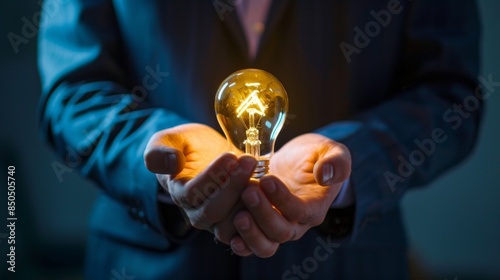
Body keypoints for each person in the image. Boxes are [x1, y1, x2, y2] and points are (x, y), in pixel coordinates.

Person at [38, 0, 482, 279]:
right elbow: (72, 92)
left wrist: (342, 165)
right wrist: (157, 155)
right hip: (148, 264)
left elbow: (451, 93)